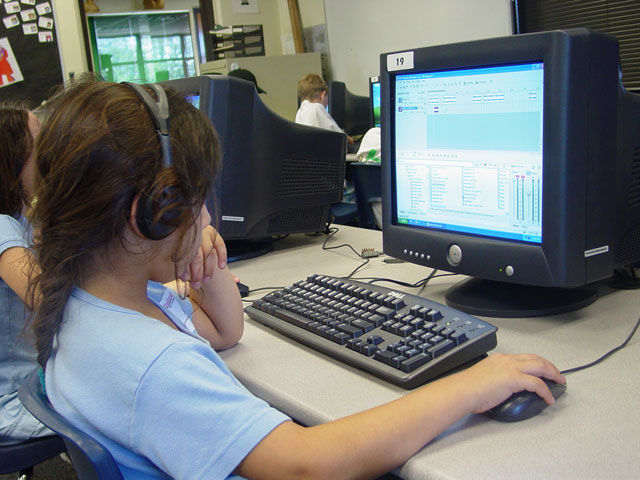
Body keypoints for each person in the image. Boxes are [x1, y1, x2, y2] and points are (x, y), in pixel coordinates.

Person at [30, 79, 565, 479]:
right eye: (198, 200)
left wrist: (198, 253)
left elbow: (224, 333)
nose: (208, 214)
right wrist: (467, 387)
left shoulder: (90, 305)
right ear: (153, 214)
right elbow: (305, 465)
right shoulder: (154, 365)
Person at [0, 102, 53, 444]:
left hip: (33, 382)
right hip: (17, 399)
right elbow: (48, 300)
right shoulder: (2, 227)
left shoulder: (23, 221)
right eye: (40, 142)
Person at [295, 73, 354, 144]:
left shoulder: (300, 112)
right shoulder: (316, 108)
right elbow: (337, 132)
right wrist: (349, 138)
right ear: (322, 95)